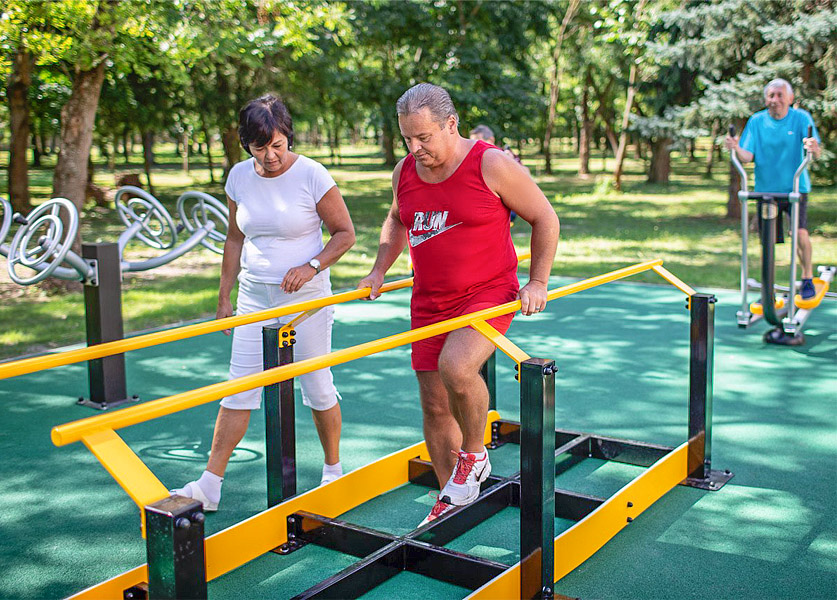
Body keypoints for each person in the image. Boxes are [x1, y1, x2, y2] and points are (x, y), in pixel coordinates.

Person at [358, 83, 560, 526]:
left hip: (487, 292)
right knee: (433, 404)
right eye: (407, 139)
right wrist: (378, 270)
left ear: (451, 125)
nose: (415, 149)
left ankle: (475, 454)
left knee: (457, 368)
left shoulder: (490, 163)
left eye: (424, 138)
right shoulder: (405, 171)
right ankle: (454, 493)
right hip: (429, 299)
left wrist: (538, 281)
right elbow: (397, 219)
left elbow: (545, 216)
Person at [172, 94, 355, 510]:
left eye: (278, 145)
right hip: (255, 296)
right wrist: (224, 296)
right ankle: (210, 483)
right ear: (246, 144)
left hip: (306, 298)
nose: (271, 156)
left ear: (287, 136)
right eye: (261, 148)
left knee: (316, 384)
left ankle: (332, 470)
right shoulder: (238, 177)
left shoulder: (312, 174)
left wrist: (312, 265)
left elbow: (345, 233)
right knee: (239, 388)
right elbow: (235, 238)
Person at [725, 78, 822, 299]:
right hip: (766, 191)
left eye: (779, 95)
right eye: (771, 95)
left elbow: (814, 151)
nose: (775, 100)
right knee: (767, 239)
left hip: (795, 189)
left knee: (799, 233)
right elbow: (748, 157)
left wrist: (813, 148)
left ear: (790, 98)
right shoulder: (757, 121)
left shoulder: (800, 118)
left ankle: (807, 277)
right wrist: (736, 147)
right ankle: (768, 286)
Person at [469, 124, 529, 225]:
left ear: (491, 140)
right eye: (472, 142)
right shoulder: (472, 158)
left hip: (503, 209)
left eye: (478, 141)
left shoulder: (502, 155)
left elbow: (527, 175)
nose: (474, 146)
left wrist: (512, 162)